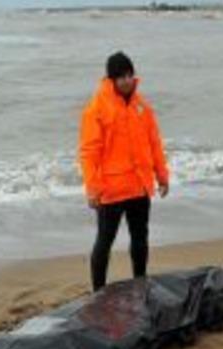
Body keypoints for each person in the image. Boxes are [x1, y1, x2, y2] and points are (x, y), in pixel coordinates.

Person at [79, 51, 170, 292]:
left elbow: (154, 144)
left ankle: (140, 285)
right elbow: (89, 152)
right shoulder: (96, 109)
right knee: (104, 242)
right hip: (111, 191)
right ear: (111, 79)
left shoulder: (142, 106)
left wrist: (162, 176)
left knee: (140, 239)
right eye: (121, 76)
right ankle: (98, 292)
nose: (127, 80)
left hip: (140, 186)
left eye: (130, 75)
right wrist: (93, 189)